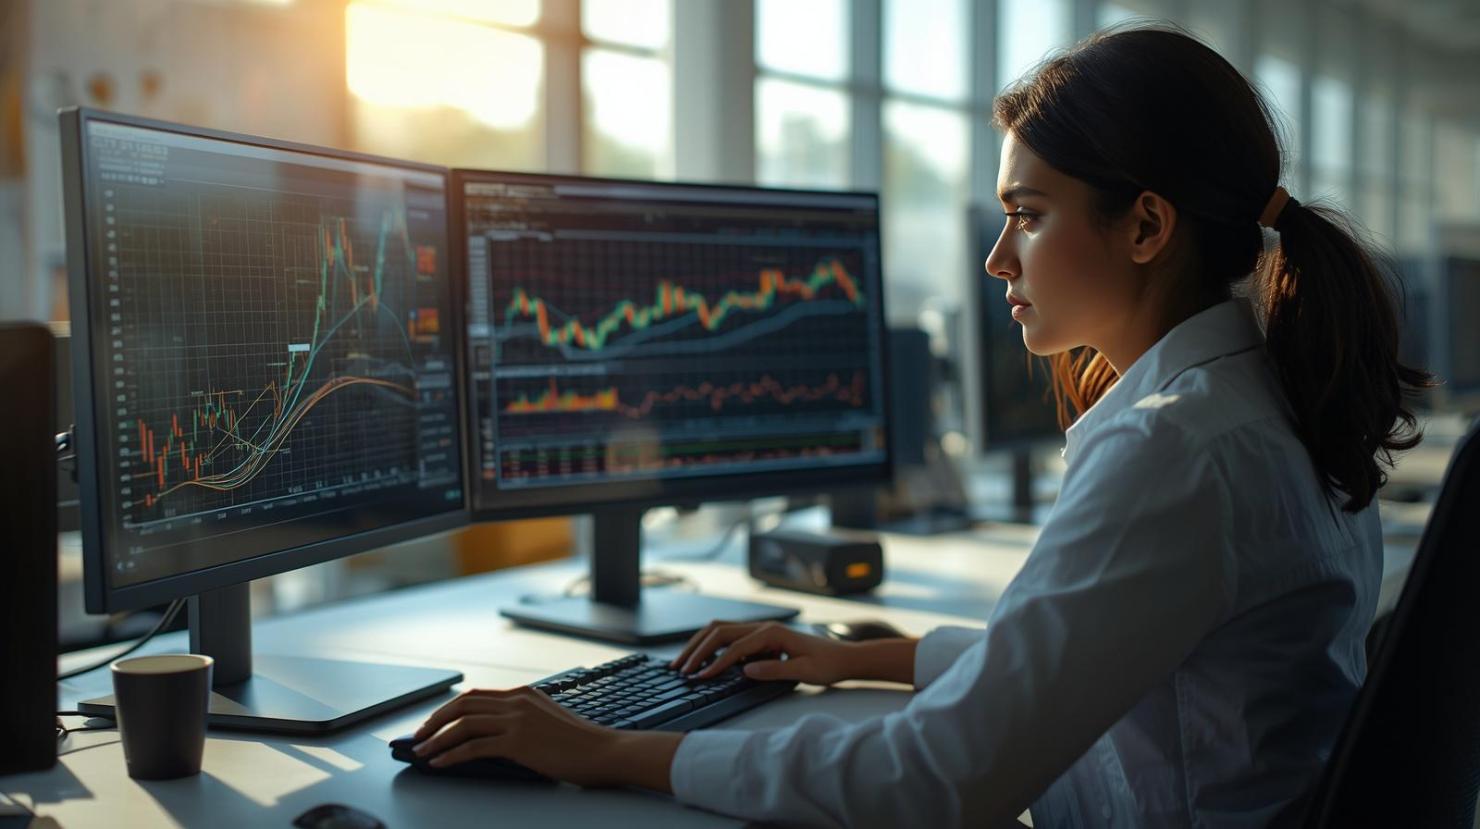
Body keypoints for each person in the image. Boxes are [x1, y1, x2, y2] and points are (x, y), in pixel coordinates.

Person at [406, 25, 1430, 827]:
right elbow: (1086, 654)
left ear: (1147, 227)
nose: (996, 259)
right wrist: (863, 653)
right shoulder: (1261, 392)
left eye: (1027, 215)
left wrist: (607, 749)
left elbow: (935, 781)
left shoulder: (1177, 446)